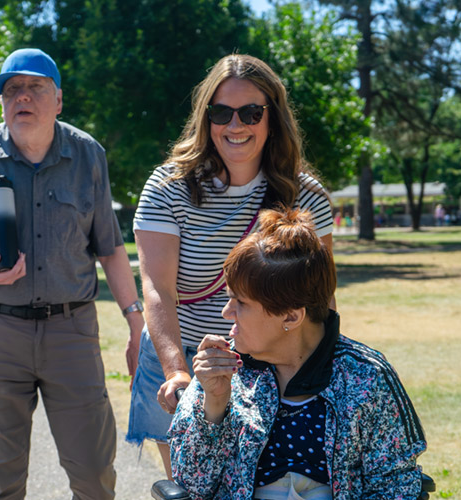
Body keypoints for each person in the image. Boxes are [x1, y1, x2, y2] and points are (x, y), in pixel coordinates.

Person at [0, 48, 144, 500]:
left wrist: (135, 321)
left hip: (72, 332)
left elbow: (109, 246)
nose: (22, 97)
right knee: (1, 480)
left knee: (93, 473)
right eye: (12, 90)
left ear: (59, 100)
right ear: (3, 102)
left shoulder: (88, 155)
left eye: (35, 88)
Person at [126, 54, 334, 475]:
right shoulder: (169, 188)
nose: (235, 125)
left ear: (272, 118)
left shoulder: (304, 192)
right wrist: (176, 372)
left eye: (251, 112)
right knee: (190, 482)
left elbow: (320, 294)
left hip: (269, 360)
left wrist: (323, 365)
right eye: (221, 112)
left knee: (263, 480)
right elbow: (157, 288)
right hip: (181, 354)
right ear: (206, 119)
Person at [169, 208, 427, 498]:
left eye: (239, 302)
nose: (226, 313)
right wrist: (215, 405)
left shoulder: (367, 377)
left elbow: (395, 485)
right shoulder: (222, 370)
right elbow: (190, 485)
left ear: (291, 317)